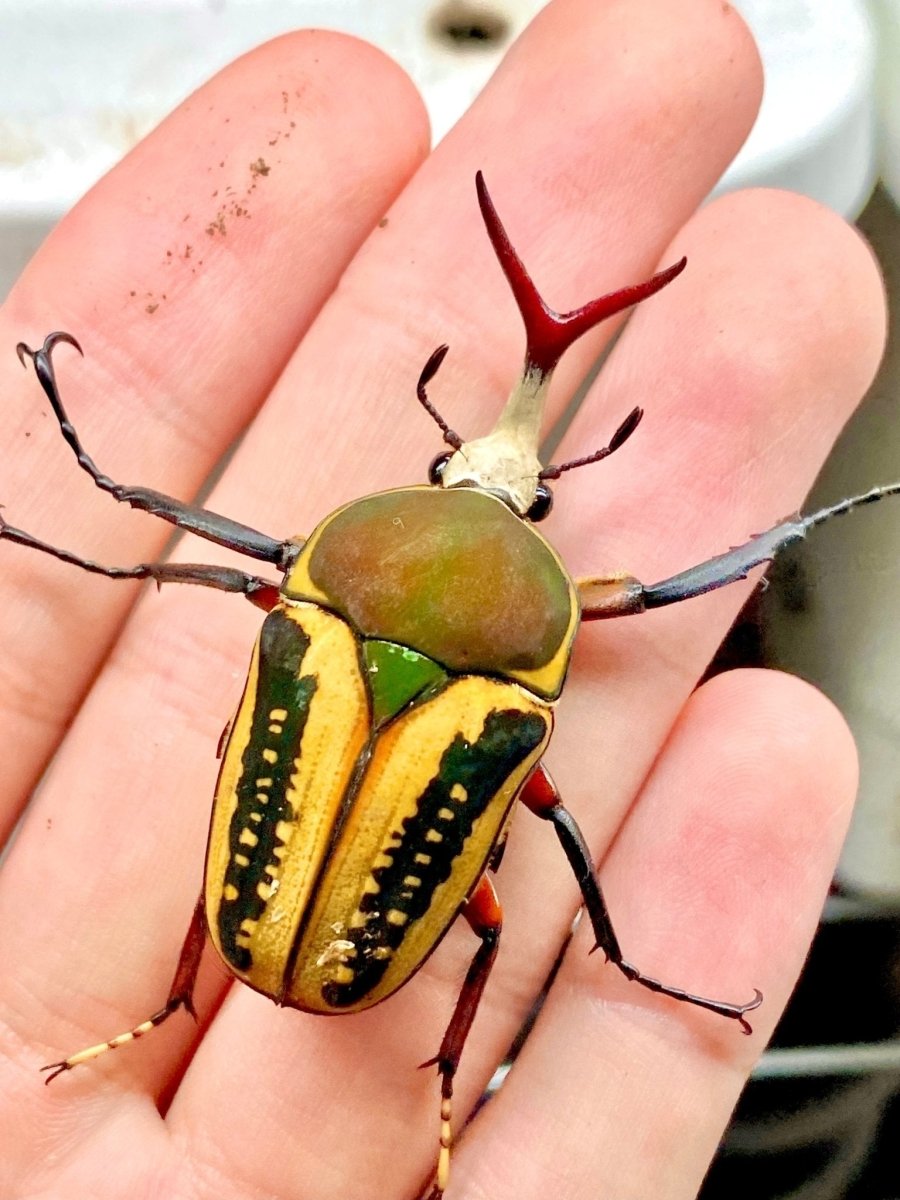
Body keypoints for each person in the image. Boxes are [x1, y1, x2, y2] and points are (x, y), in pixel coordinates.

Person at [0, 2, 886, 1196]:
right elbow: (665, 596)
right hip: (352, 935)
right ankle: (411, 1072)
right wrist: (786, 528)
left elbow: (237, 558)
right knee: (506, 905)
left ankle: (179, 1010)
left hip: (280, 915)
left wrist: (113, 503)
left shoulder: (299, 604)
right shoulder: (491, 672)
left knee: (368, 815)